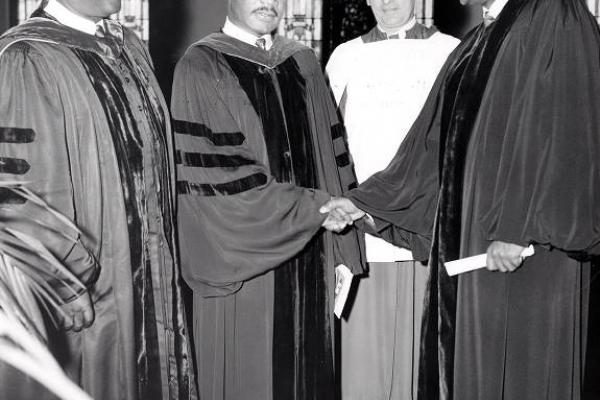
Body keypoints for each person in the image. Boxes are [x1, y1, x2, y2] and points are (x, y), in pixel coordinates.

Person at [322, 0, 600, 399]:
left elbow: (566, 124)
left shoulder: (552, 11)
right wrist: (365, 202)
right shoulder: (478, 39)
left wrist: (517, 230)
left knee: (521, 376)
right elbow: (431, 146)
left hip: (525, 252)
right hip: (474, 246)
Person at [0, 1, 197, 399]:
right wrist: (63, 283)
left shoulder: (128, 47)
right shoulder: (28, 56)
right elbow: (20, 188)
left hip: (152, 271)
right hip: (92, 286)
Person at [170, 0, 365, 399]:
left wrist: (343, 240)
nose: (269, 1)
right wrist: (314, 209)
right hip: (247, 258)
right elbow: (218, 180)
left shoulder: (302, 62)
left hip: (312, 254)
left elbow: (333, 156)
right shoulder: (202, 65)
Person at [325, 1, 458, 398]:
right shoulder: (345, 57)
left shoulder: (450, 51)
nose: (388, 2)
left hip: (425, 228)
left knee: (424, 357)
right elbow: (328, 144)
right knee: (364, 363)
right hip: (363, 226)